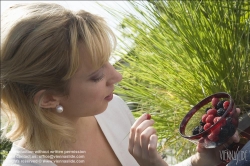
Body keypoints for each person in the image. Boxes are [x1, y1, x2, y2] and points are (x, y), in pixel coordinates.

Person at [1, 2, 248, 166]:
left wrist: (200, 161)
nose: (117, 76)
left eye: (108, 62)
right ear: (48, 99)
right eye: (96, 76)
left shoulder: (111, 109)